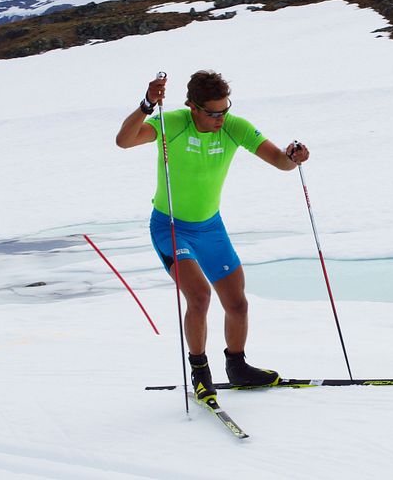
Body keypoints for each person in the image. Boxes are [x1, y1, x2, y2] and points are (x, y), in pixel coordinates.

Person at [116, 70, 310, 402]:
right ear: (192, 106)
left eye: (225, 110)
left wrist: (294, 157)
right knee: (200, 297)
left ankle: (237, 368)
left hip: (211, 228)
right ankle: (200, 372)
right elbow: (125, 140)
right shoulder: (174, 123)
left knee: (237, 303)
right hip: (171, 227)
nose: (221, 118)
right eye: (213, 112)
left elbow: (280, 161)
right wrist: (148, 103)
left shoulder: (235, 127)